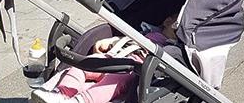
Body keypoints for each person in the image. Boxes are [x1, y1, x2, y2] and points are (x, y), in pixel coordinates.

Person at [31, 14, 179, 103]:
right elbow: (127, 39)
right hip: (113, 55)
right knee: (82, 66)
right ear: (167, 21)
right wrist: (110, 41)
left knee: (115, 81)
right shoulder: (148, 32)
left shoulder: (173, 46)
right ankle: (61, 93)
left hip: (132, 68)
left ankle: (80, 100)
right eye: (178, 23)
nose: (180, 28)